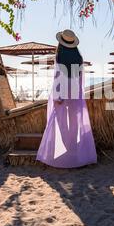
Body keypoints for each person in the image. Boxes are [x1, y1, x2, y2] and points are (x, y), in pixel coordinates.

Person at [37, 29, 97, 168]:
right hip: (75, 91)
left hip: (62, 91)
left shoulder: (59, 57)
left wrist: (57, 95)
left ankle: (64, 150)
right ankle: (73, 150)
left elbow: (57, 77)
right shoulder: (79, 59)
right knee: (75, 122)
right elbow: (81, 79)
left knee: (59, 121)